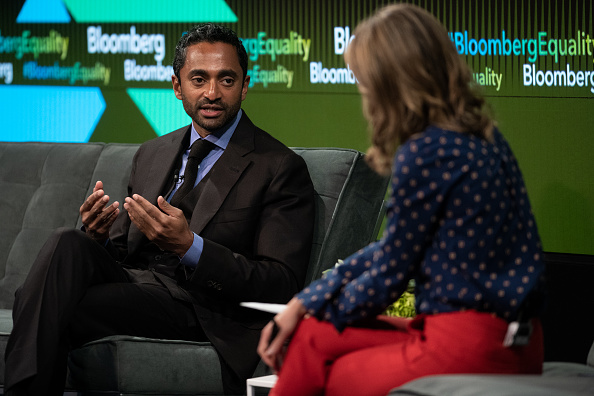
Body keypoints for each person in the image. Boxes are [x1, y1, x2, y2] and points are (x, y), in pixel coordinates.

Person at [4, 23, 315, 396]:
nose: (212, 93)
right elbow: (122, 254)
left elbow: (280, 284)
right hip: (137, 286)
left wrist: (191, 247)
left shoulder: (278, 167)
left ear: (245, 86)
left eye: (226, 80)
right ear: (176, 86)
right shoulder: (153, 153)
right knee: (68, 241)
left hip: (199, 306)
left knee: (41, 299)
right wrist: (99, 237)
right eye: (199, 79)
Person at [257, 4, 546, 396]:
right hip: (516, 341)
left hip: (469, 344)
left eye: (364, 83)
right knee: (314, 336)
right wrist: (307, 304)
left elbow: (388, 277)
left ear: (390, 84)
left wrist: (322, 310)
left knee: (334, 372)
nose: (363, 96)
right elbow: (394, 248)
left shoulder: (426, 151)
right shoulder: (485, 136)